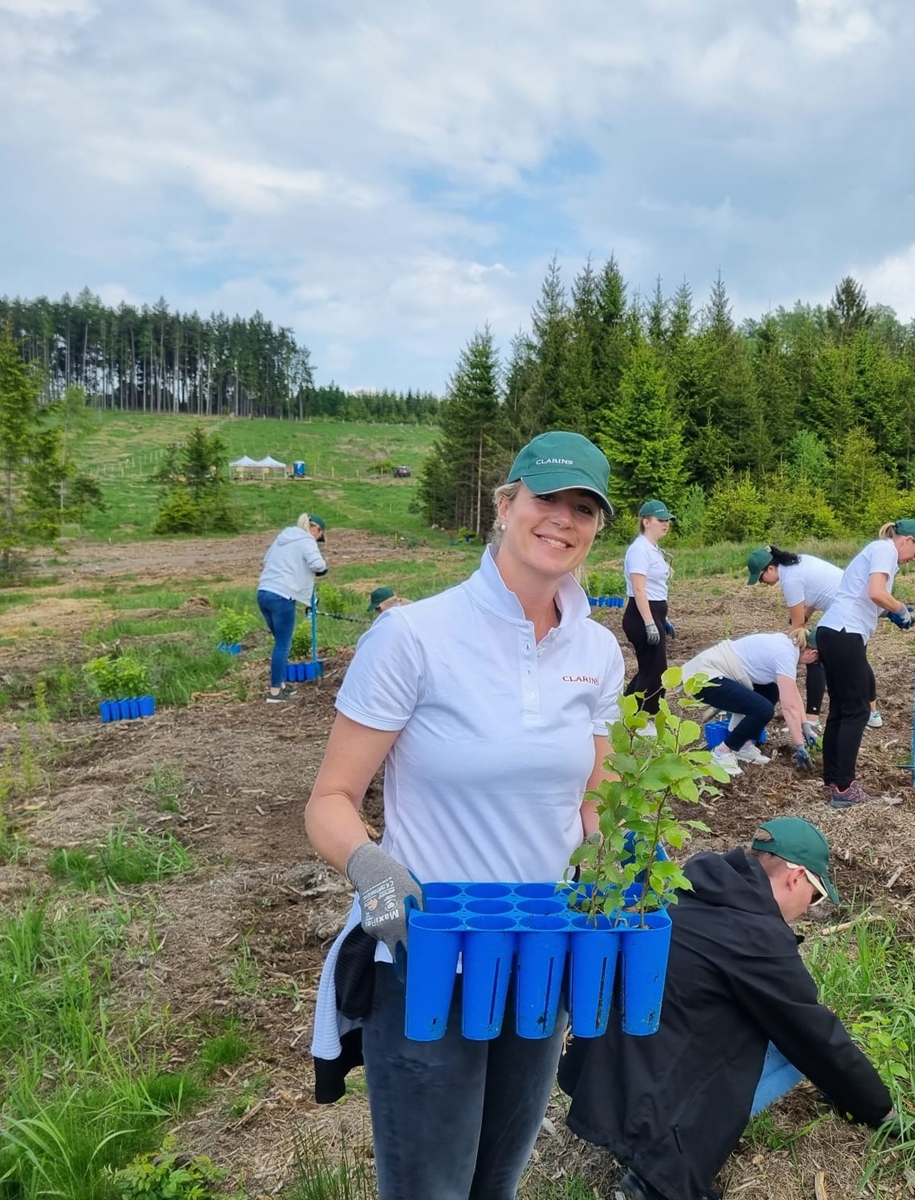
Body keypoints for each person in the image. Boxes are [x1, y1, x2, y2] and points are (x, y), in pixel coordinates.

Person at [304, 431, 624, 1200]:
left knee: (495, 1184)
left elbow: (592, 800)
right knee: (428, 1189)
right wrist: (381, 887)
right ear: (507, 503)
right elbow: (330, 803)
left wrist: (613, 859)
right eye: (547, 498)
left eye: (584, 507)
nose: (563, 519)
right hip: (427, 960)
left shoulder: (599, 651)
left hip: (539, 959)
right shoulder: (415, 636)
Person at [557, 818, 894, 1200]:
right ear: (796, 877)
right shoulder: (757, 936)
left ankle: (643, 1138)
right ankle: (659, 1177)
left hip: (594, 1071)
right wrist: (879, 1109)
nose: (809, 908)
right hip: (645, 1089)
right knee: (777, 1038)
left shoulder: (691, 885)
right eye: (816, 896)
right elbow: (817, 1037)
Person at [815, 520, 915, 809]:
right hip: (846, 633)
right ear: (906, 540)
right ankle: (845, 788)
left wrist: (889, 612)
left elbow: (866, 598)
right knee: (857, 710)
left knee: (841, 709)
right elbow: (876, 594)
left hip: (830, 631)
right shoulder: (885, 550)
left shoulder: (879, 554)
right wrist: (899, 608)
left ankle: (833, 778)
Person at [748, 546, 882, 728]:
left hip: (848, 614)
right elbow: (813, 599)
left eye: (760, 577)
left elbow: (797, 626)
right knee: (857, 659)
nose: (761, 582)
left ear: (770, 568)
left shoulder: (790, 579)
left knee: (814, 655)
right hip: (857, 608)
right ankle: (873, 713)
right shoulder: (797, 562)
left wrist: (785, 649)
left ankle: (811, 719)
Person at [679, 630, 823, 776]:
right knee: (763, 710)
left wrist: (805, 726)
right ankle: (721, 753)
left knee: (770, 691)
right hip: (704, 677)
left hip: (724, 673)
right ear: (813, 653)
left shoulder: (788, 646)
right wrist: (800, 746)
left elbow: (793, 694)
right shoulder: (785, 655)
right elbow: (789, 707)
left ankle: (742, 746)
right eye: (817, 661)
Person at [257, 513, 329, 703]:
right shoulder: (307, 540)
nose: (317, 539)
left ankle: (280, 684)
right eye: (319, 535)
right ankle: (274, 692)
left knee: (279, 642)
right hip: (282, 596)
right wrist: (323, 569)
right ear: (316, 529)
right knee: (283, 644)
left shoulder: (283, 538)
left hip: (264, 592)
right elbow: (317, 564)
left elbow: (266, 560)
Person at [623, 499, 677, 721]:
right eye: (660, 520)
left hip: (653, 612)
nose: (665, 524)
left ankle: (626, 710)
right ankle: (641, 717)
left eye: (667, 520)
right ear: (646, 522)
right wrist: (649, 622)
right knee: (655, 670)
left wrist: (662, 618)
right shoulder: (639, 550)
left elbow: (656, 589)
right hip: (640, 614)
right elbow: (639, 588)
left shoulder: (653, 549)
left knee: (650, 668)